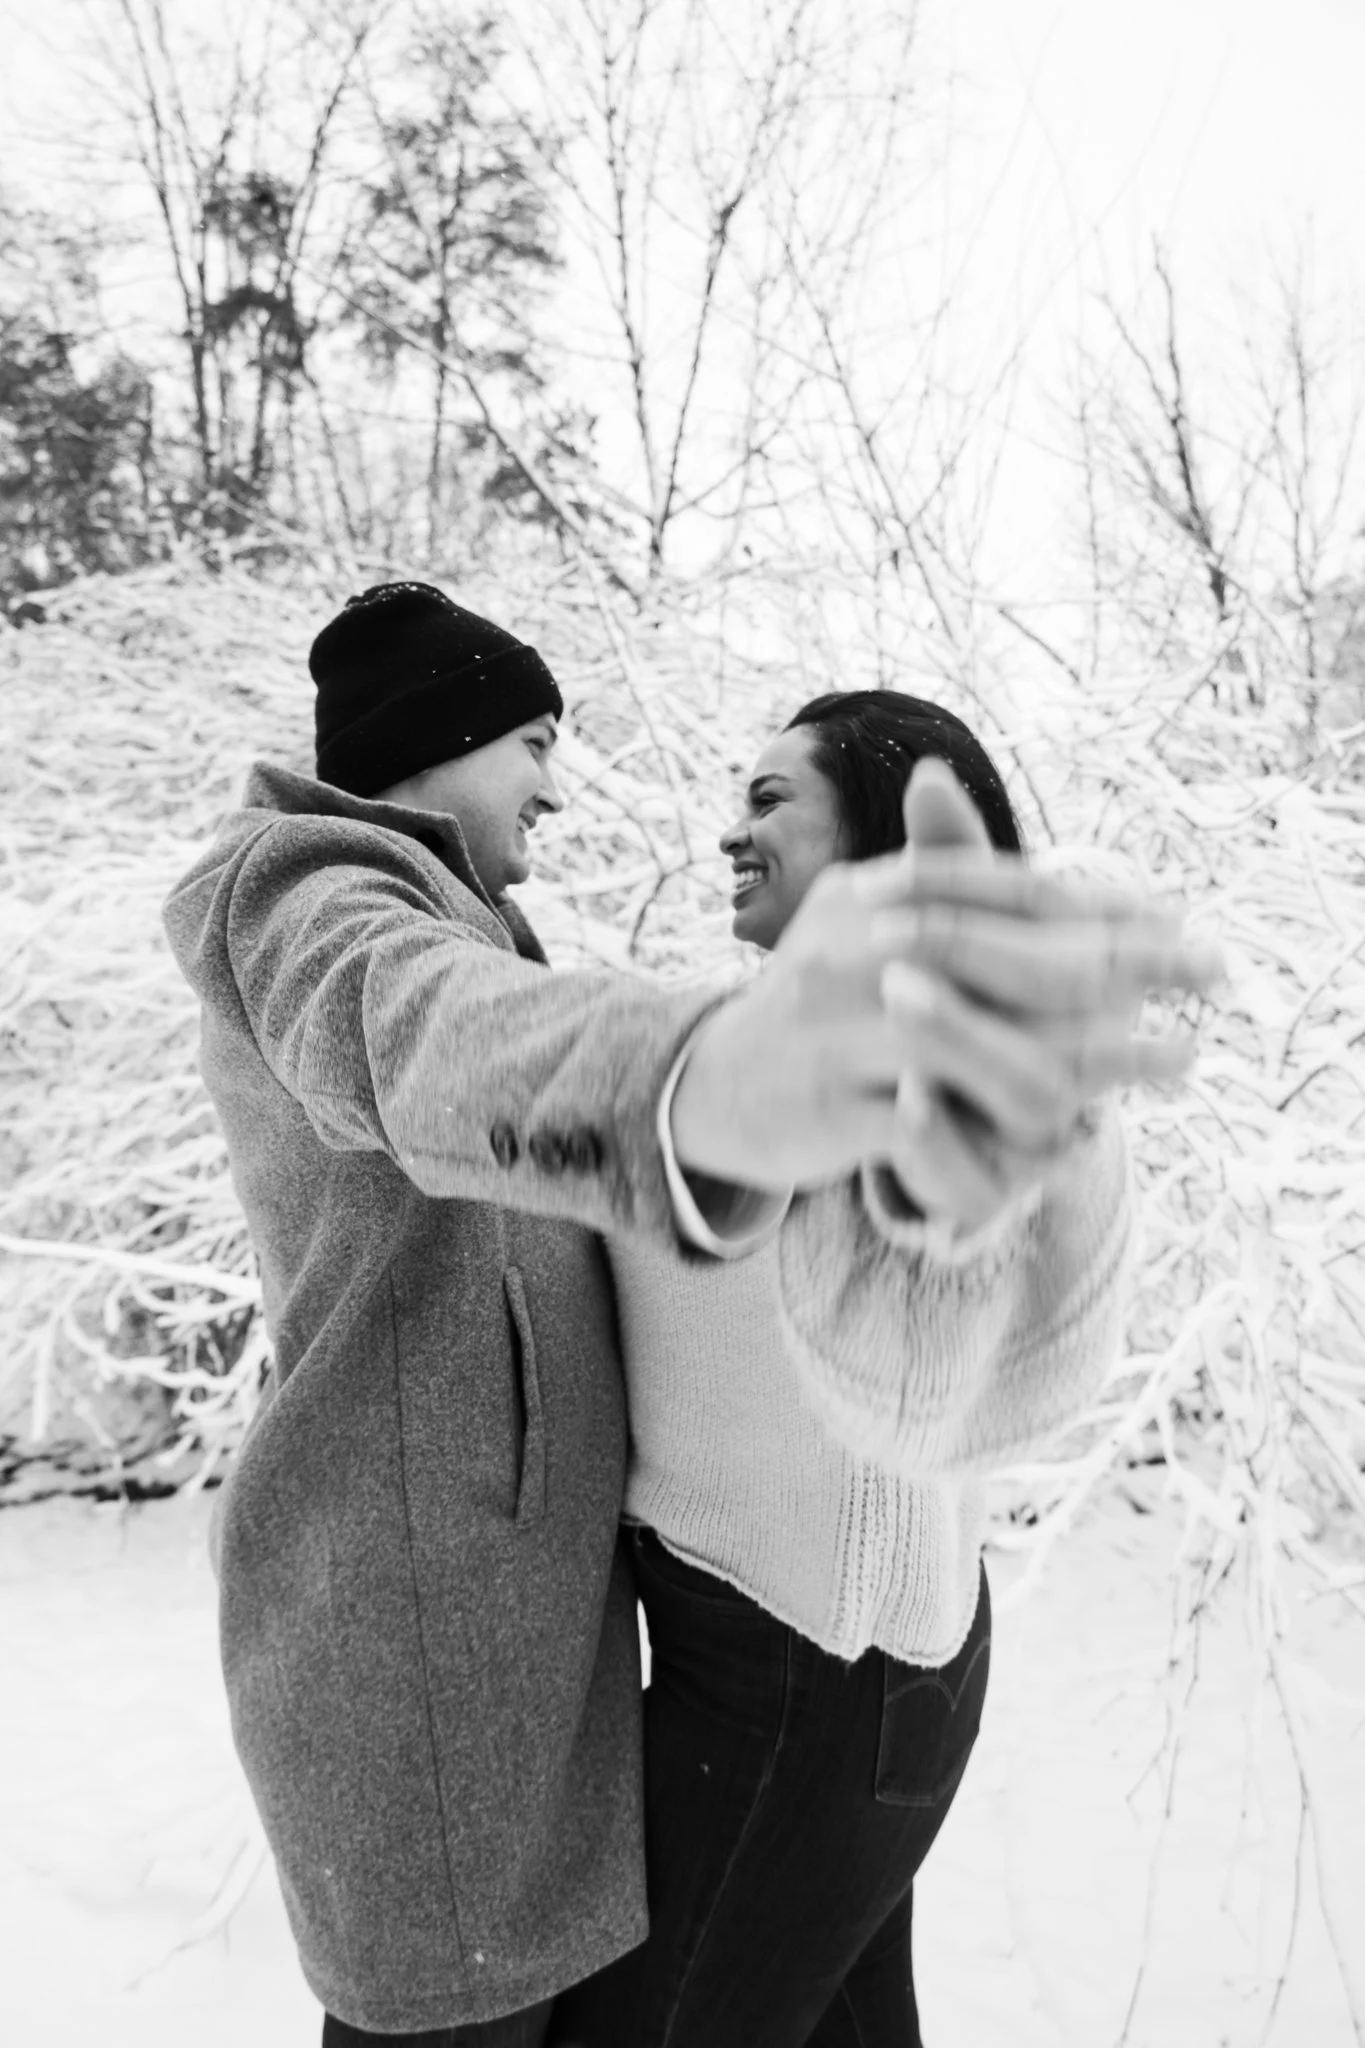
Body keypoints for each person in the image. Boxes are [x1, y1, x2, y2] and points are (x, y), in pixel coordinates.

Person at [161, 586, 1218, 2047]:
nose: (562, 775)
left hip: (815, 1676)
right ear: (436, 738)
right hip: (685, 1672)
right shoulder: (352, 916)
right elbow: (420, 1033)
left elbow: (1017, 1332)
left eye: (768, 795)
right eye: (533, 736)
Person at [548, 691, 1166, 2048]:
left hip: (817, 1675)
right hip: (784, 1668)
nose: (729, 831)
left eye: (771, 799)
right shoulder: (755, 1034)